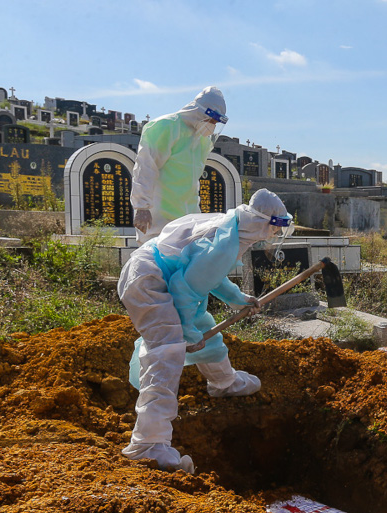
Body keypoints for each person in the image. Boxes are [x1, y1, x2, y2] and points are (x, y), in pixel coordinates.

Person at [118, 189, 293, 473]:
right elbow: (185, 289)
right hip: (149, 281)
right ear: (264, 222)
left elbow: (209, 274)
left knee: (202, 325)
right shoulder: (227, 243)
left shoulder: (232, 230)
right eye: (276, 227)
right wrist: (186, 333)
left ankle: (224, 382)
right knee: (168, 350)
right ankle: (147, 444)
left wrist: (238, 299)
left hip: (160, 273)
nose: (275, 234)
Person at [130, 86, 228, 242]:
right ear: (199, 112)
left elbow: (191, 183)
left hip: (188, 224)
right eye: (212, 120)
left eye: (216, 122)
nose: (213, 125)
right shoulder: (166, 127)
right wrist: (142, 206)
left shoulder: (201, 140)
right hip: (158, 221)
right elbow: (145, 168)